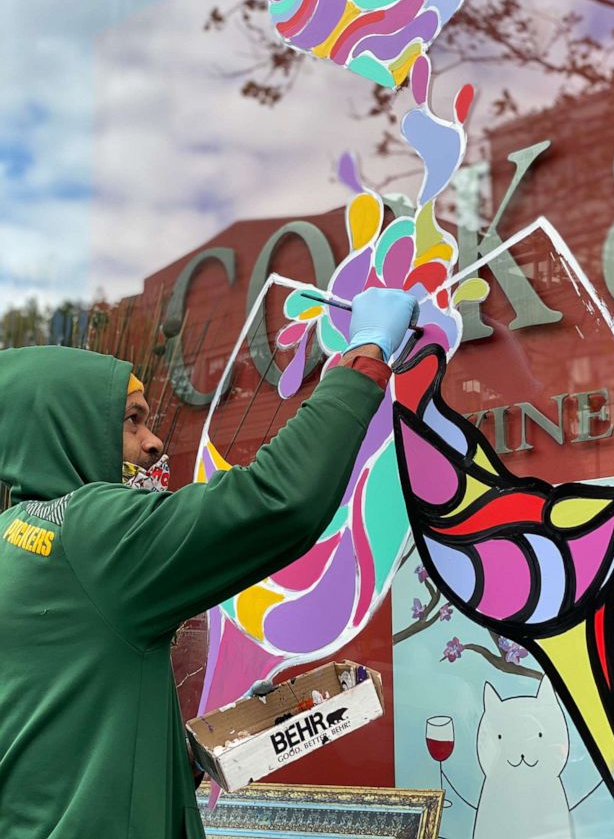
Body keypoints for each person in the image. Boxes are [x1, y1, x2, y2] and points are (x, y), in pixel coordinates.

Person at [0, 287, 418, 839]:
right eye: (131, 420)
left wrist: (181, 755)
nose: (155, 444)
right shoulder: (91, 532)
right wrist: (364, 357)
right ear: (65, 423)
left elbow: (58, 737)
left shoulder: (17, 538)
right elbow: (277, 499)